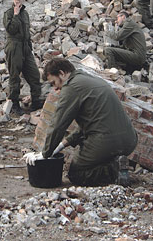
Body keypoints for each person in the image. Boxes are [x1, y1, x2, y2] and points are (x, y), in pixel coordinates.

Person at [27, 58, 138, 186]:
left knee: (76, 173)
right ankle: (116, 160)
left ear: (62, 73)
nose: (56, 88)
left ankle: (113, 169)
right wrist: (61, 145)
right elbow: (89, 124)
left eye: (54, 82)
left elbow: (58, 124)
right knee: (94, 154)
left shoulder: (71, 88)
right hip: (130, 140)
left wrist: (45, 153)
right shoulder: (88, 79)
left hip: (107, 140)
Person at [3, 0, 44, 115]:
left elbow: (27, 33)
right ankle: (14, 104)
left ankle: (36, 102)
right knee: (14, 76)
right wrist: (15, 14)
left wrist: (30, 48)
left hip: (25, 47)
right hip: (14, 46)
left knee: (34, 74)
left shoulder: (25, 14)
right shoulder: (9, 13)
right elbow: (11, 30)